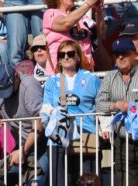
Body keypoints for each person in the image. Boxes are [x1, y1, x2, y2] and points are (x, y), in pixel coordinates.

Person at [96, 38, 138, 186]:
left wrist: (128, 106)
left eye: (124, 53)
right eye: (116, 54)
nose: (120, 57)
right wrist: (115, 106)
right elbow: (99, 105)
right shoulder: (109, 77)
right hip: (122, 141)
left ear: (134, 54)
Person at [41, 42, 100, 186]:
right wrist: (54, 113)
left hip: (86, 136)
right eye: (62, 55)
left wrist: (104, 128)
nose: (66, 57)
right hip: (59, 138)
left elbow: (101, 105)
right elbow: (45, 109)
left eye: (71, 54)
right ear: (59, 59)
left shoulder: (92, 79)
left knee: (88, 182)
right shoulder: (51, 82)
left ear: (78, 57)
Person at [42, 0, 105, 73]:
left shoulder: (81, 16)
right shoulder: (50, 13)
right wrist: (89, 3)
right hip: (60, 73)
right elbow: (66, 24)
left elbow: (99, 34)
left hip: (84, 72)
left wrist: (98, 10)